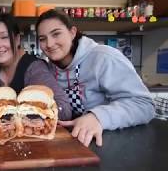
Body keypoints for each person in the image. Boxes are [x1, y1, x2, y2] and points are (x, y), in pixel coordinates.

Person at [36, 9, 155, 147]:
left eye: (56, 34)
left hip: (110, 143)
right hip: (71, 143)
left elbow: (144, 105)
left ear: (72, 32)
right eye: (42, 39)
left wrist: (98, 117)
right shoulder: (47, 69)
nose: (49, 44)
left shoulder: (104, 58)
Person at [0, 13, 72, 120]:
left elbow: (64, 110)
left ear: (17, 39)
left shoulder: (34, 68)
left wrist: (24, 114)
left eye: (4, 37)